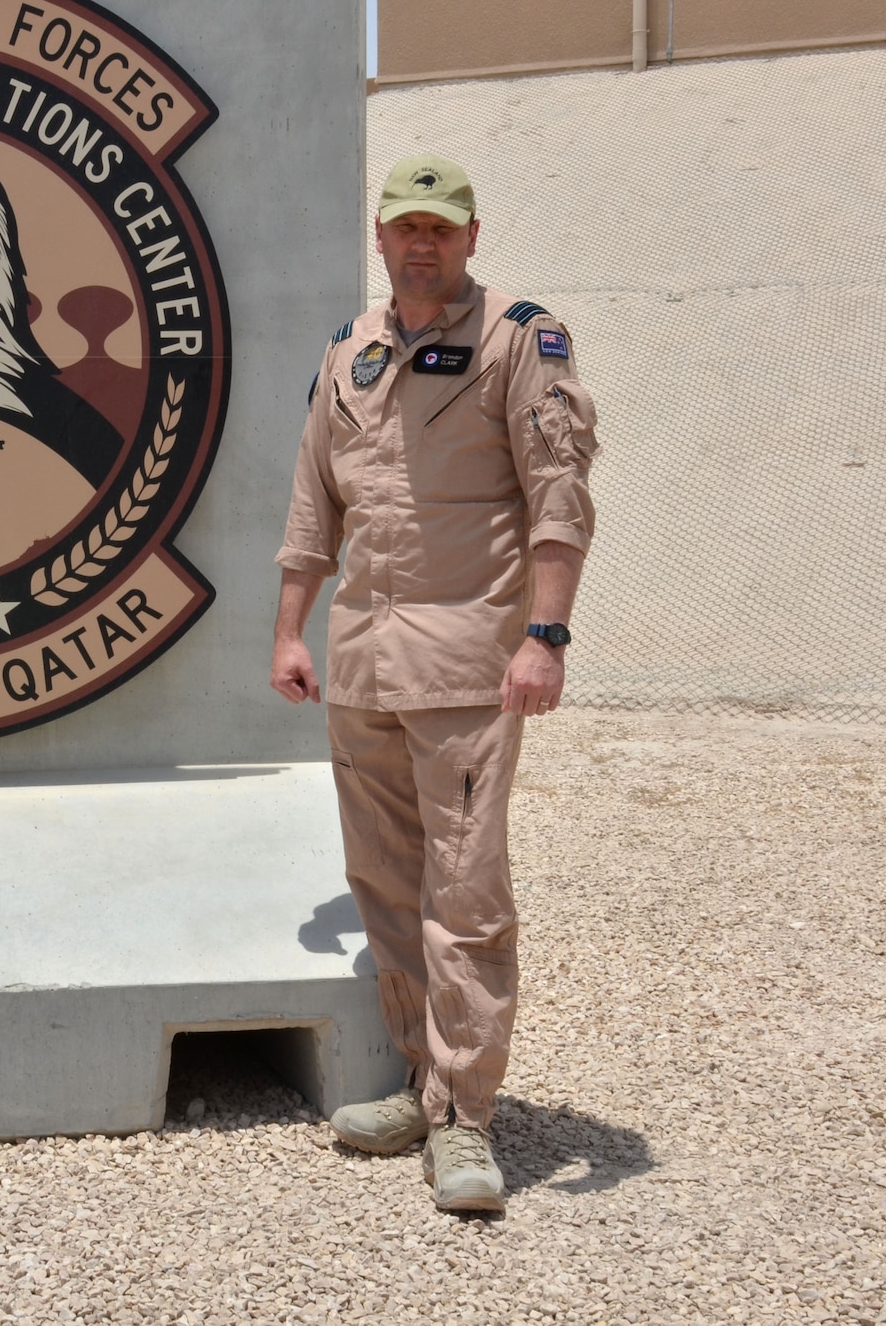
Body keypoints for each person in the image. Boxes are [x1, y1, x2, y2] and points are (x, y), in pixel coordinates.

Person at [269, 154, 598, 1212]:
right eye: (404, 227)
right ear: (379, 236)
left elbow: (558, 493)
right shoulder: (349, 348)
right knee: (386, 882)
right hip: (362, 656)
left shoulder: (518, 339)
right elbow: (314, 503)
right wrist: (290, 631)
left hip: (465, 658)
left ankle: (465, 1118)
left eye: (440, 229)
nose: (421, 245)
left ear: (468, 235)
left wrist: (541, 634)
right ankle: (421, 1079)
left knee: (464, 892)